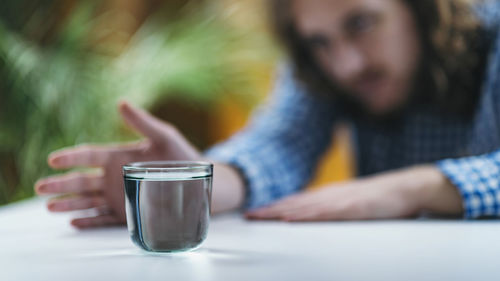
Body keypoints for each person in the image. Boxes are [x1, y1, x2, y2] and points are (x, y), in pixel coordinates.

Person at [35, 0, 500, 228]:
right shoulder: (326, 64)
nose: (347, 64)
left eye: (362, 24)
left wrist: (412, 187)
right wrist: (201, 181)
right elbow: (281, 142)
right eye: (320, 41)